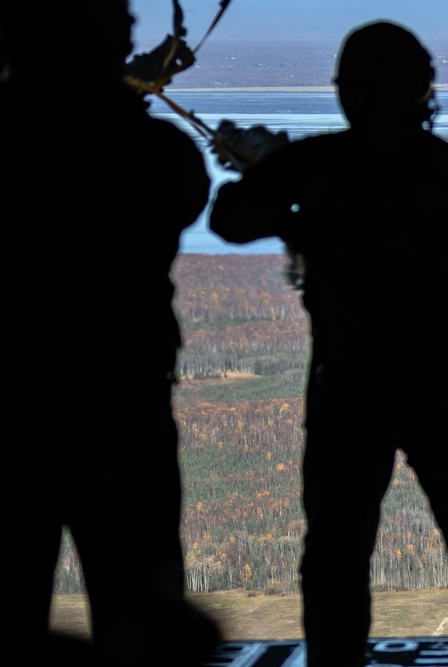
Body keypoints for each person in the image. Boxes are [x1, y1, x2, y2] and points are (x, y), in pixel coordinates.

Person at [210, 20, 448, 667]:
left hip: (348, 386)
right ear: (422, 89)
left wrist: (293, 213)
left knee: (337, 550)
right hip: (434, 382)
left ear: (349, 92)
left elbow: (229, 216)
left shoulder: (317, 166)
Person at [1, 2, 219, 664]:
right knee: (142, 607)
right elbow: (184, 191)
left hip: (13, 415)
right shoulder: (151, 153)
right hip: (125, 409)